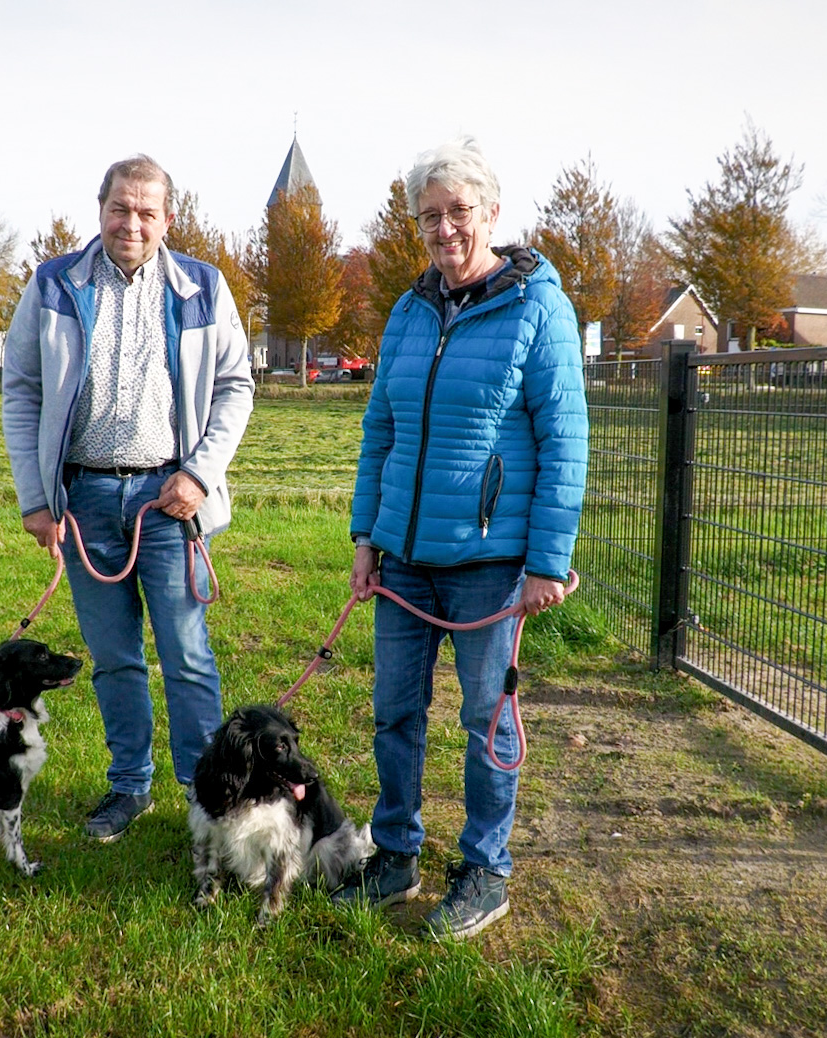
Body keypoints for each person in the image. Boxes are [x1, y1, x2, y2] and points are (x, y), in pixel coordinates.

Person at [330, 137, 588, 939]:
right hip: (402, 562)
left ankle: (485, 868)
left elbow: (566, 438)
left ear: (492, 212)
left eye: (458, 211)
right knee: (393, 713)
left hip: (488, 565)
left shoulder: (537, 304)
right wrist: (366, 538)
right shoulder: (409, 311)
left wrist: (546, 561)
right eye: (429, 216)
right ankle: (398, 854)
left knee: (486, 721)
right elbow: (380, 432)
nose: (444, 229)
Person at [2, 154, 255, 841]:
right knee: (114, 657)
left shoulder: (202, 287)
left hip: (169, 500)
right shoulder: (55, 284)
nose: (132, 224)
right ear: (101, 209)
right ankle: (129, 788)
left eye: (148, 212)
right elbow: (21, 388)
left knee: (187, 655)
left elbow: (236, 385)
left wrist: (198, 474)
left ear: (168, 218)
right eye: (121, 208)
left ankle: (207, 800)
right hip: (83, 502)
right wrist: (36, 497)